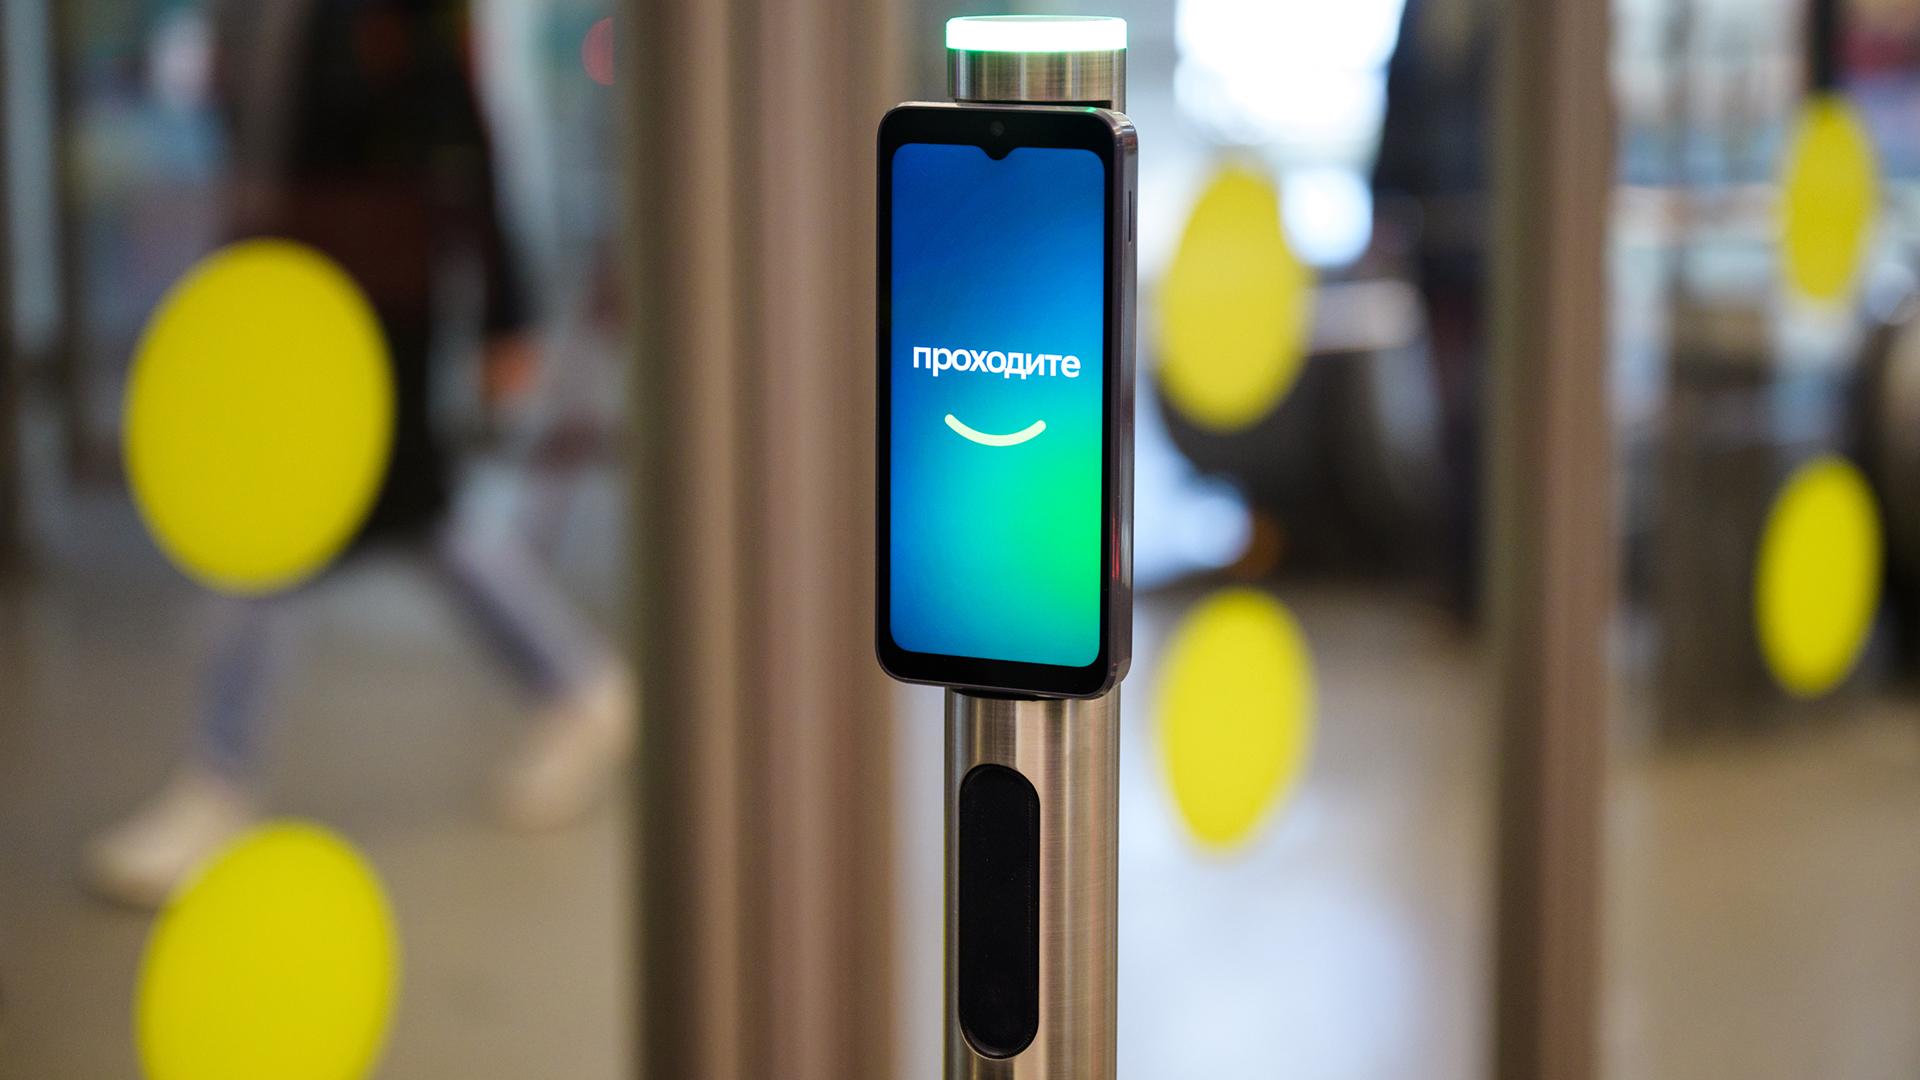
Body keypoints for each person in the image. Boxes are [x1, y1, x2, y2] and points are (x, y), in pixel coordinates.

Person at [84, 0, 632, 907]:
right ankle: (579, 685)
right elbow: (260, 157)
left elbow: (460, 137)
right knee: (411, 523)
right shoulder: (257, 18)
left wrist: (505, 314)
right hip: (291, 299)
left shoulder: (392, 13)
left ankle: (220, 777)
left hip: (375, 306)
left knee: (288, 529)